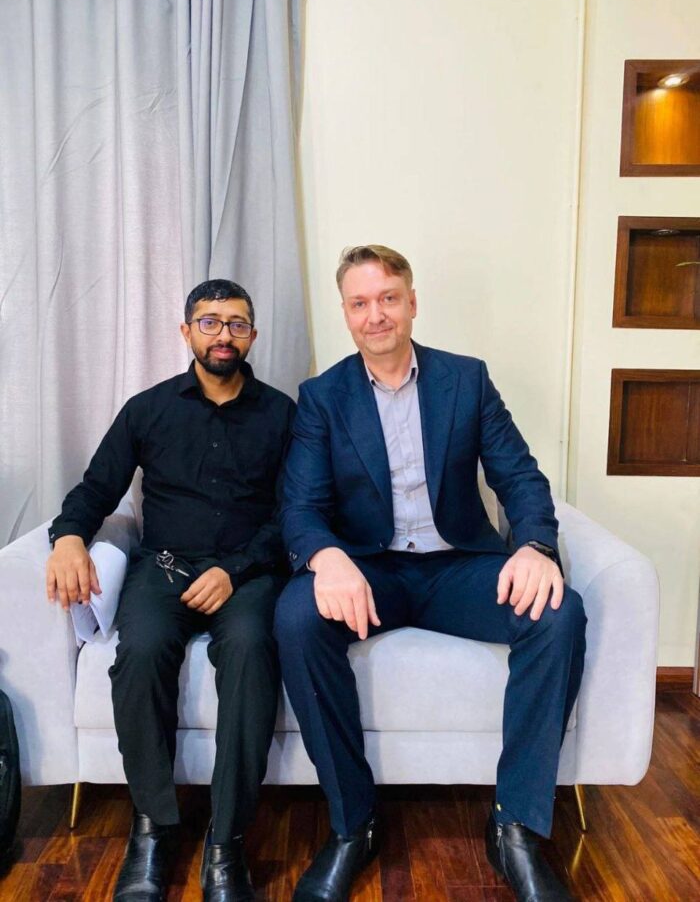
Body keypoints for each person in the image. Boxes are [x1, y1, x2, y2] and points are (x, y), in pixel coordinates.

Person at [274, 246, 586, 902]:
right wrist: (327, 557)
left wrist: (535, 545)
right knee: (297, 617)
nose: (376, 314)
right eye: (360, 303)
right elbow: (299, 505)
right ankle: (353, 824)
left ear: (412, 302)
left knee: (559, 612)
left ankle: (516, 827)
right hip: (372, 573)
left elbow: (520, 476)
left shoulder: (465, 380)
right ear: (346, 314)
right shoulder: (322, 397)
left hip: (457, 567)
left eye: (388, 298)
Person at [46, 280, 295, 902]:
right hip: (163, 567)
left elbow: (293, 513)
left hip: (246, 574)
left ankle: (227, 839)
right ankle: (153, 829)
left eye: (237, 324)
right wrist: (68, 537)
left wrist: (235, 569)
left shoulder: (282, 414)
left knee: (251, 651)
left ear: (252, 336)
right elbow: (96, 489)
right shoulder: (148, 409)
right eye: (209, 322)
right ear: (186, 332)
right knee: (140, 652)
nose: (223, 335)